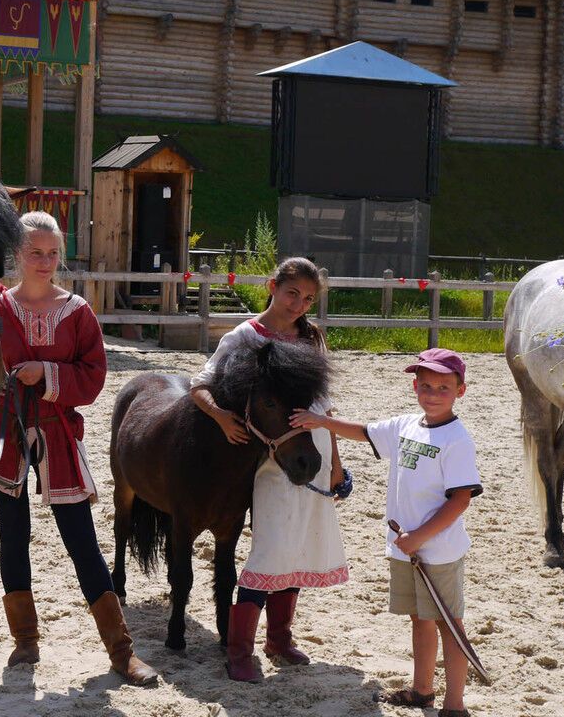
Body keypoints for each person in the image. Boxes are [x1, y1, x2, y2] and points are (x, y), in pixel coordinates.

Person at [0, 210, 157, 687]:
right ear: (17, 255)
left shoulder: (77, 312)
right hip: (4, 430)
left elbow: (92, 377)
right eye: (35, 252)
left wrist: (44, 375)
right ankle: (25, 641)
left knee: (81, 541)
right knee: (13, 535)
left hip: (58, 433)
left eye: (52, 253)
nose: (45, 261)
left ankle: (121, 651)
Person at [290, 347, 481, 717]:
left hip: (437, 551)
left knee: (449, 625)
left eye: (443, 387)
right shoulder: (407, 425)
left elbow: (460, 501)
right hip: (406, 548)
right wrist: (322, 422)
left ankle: (454, 705)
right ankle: (422, 690)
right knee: (420, 620)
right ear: (414, 386)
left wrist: (421, 536)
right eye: (425, 386)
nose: (432, 394)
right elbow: (364, 432)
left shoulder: (457, 439)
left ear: (461, 391)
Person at [190, 256, 349, 682]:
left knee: (298, 545)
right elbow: (199, 384)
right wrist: (222, 418)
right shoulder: (244, 335)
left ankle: (279, 638)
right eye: (292, 292)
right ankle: (239, 650)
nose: (298, 304)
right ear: (272, 286)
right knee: (272, 547)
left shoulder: (310, 337)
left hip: (312, 449)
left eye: (308, 298)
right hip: (269, 457)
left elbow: (324, 406)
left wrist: (335, 461)